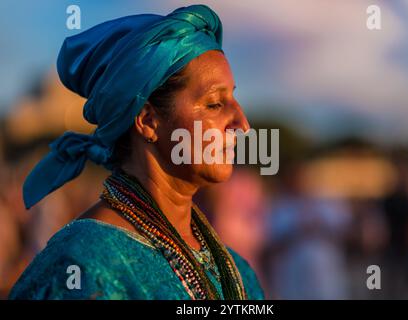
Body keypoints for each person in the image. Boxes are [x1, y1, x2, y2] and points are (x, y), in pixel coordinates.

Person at [9, 4, 264, 300]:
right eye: (214, 104)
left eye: (234, 99)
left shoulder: (237, 271)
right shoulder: (86, 263)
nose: (242, 124)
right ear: (147, 120)